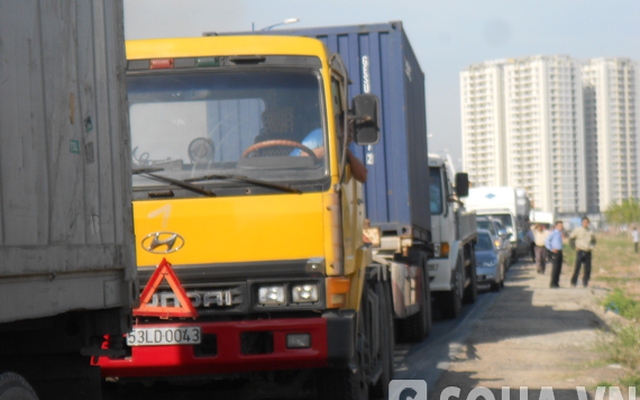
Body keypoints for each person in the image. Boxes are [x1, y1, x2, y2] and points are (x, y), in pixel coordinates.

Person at [293, 119, 368, 183]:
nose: (350, 136)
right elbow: (304, 157)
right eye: (349, 131)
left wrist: (346, 150)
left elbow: (362, 177)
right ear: (339, 127)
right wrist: (332, 147)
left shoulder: (348, 143)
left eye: (353, 134)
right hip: (293, 175)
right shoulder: (321, 135)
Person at [568, 216, 596, 288]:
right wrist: (574, 247)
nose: (585, 223)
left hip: (587, 251)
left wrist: (591, 247)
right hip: (580, 250)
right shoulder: (577, 230)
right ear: (582, 223)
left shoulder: (590, 231)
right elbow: (571, 239)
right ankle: (573, 282)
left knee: (588, 268)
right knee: (577, 267)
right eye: (584, 222)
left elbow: (594, 241)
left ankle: (585, 282)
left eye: (587, 222)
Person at [545, 220, 564, 288]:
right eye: (559, 226)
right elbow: (547, 241)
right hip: (554, 252)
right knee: (555, 268)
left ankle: (556, 283)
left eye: (561, 226)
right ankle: (552, 283)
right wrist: (551, 249)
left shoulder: (559, 233)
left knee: (559, 267)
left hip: (559, 251)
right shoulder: (553, 233)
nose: (561, 227)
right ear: (556, 226)